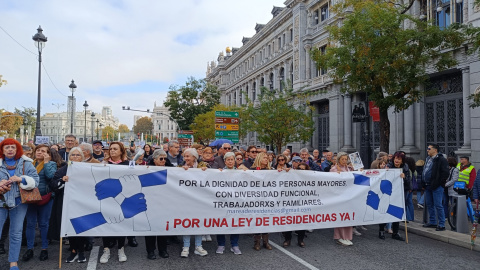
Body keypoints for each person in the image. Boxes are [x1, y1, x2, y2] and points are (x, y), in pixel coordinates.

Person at [0, 138, 39, 270]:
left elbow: (35, 181)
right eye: (7, 147)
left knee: (16, 233)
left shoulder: (26, 163)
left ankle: (13, 262)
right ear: (2, 150)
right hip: (1, 201)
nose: (10, 149)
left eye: (12, 147)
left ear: (17, 150)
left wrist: (21, 179)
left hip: (19, 202)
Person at [23, 144, 58, 262]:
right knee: (31, 224)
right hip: (30, 197)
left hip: (45, 198)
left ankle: (44, 249)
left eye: (43, 151)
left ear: (48, 154)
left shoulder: (51, 164)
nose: (40, 152)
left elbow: (50, 177)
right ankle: (30, 249)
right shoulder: (29, 164)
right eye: (38, 150)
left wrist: (47, 162)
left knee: (44, 224)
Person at [57, 147, 89, 263]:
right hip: (68, 203)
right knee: (70, 227)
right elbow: (53, 184)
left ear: (82, 157)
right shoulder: (64, 169)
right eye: (72, 155)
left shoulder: (87, 169)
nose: (75, 157)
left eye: (78, 155)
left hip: (83, 203)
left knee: (80, 226)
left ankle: (81, 251)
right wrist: (62, 180)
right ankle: (73, 250)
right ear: (69, 157)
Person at [100, 142, 130, 264]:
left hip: (122, 198)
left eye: (115, 149)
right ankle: (106, 250)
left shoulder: (128, 164)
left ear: (121, 151)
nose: (112, 151)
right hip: (107, 198)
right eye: (111, 149)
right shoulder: (104, 164)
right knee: (106, 223)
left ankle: (121, 249)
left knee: (121, 223)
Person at [180, 148, 208, 258]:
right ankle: (186, 247)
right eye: (184, 156)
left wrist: (206, 170)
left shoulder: (203, 166)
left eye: (188, 156)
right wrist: (181, 171)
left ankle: (198, 246)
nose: (185, 158)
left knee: (198, 222)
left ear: (194, 157)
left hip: (199, 200)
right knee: (186, 222)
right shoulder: (180, 167)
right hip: (186, 200)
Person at [145, 149, 171, 260]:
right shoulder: (146, 170)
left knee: (162, 228)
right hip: (150, 203)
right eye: (161, 158)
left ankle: (163, 250)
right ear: (154, 159)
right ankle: (150, 251)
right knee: (150, 228)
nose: (164, 160)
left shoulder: (170, 169)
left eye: (165, 158)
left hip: (164, 203)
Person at [378, 152, 409, 241]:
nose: (396, 160)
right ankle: (381, 230)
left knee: (397, 212)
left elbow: (408, 181)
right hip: (387, 193)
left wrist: (404, 177)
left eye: (399, 159)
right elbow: (382, 179)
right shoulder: (388, 166)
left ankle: (395, 232)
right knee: (384, 210)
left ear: (402, 161)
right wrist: (385, 172)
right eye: (395, 158)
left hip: (398, 193)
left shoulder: (405, 167)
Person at [216, 152, 242, 255]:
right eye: (228, 160)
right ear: (225, 161)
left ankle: (234, 245)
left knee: (235, 223)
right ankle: (221, 244)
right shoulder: (220, 172)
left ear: (234, 160)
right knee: (221, 223)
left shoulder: (240, 172)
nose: (230, 161)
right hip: (223, 202)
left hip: (235, 202)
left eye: (232, 159)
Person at [422, 144, 449, 231]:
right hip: (428, 185)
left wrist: (440, 183)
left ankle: (441, 224)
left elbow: (445, 173)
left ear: (435, 150)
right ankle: (433, 222)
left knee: (438, 205)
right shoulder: (428, 159)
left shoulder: (441, 159)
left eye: (429, 149)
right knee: (429, 204)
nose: (427, 150)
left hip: (436, 186)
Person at [250, 152, 273, 251]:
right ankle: (257, 242)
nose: (266, 159)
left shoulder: (271, 170)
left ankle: (266, 242)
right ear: (259, 158)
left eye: (267, 158)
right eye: (264, 158)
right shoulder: (252, 170)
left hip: (267, 200)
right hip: (256, 200)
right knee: (258, 220)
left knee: (266, 220)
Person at [330, 152, 354, 246]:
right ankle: (339, 237)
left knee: (348, 216)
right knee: (341, 216)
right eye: (342, 159)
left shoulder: (349, 168)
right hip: (339, 197)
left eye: (346, 159)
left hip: (349, 196)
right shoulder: (334, 169)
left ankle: (347, 237)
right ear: (338, 159)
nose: (344, 161)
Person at [283, 163, 306, 248]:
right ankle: (287, 239)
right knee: (289, 221)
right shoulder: (291, 176)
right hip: (291, 202)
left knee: (302, 222)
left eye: (303, 169)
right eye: (299, 168)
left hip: (303, 203)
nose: (301, 171)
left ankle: (301, 240)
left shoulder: (310, 179)